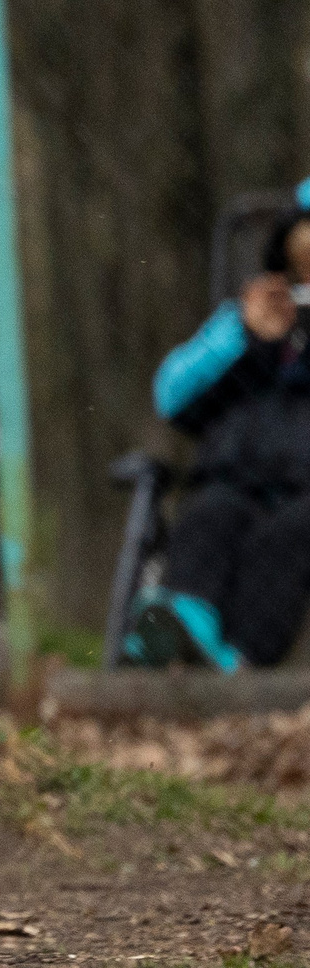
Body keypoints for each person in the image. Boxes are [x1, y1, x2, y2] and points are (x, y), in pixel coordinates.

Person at [130, 184, 310, 671]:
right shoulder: (243, 324)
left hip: (303, 498)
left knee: (290, 537)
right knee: (211, 513)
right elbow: (171, 395)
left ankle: (235, 661)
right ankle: (184, 626)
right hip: (233, 479)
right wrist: (245, 336)